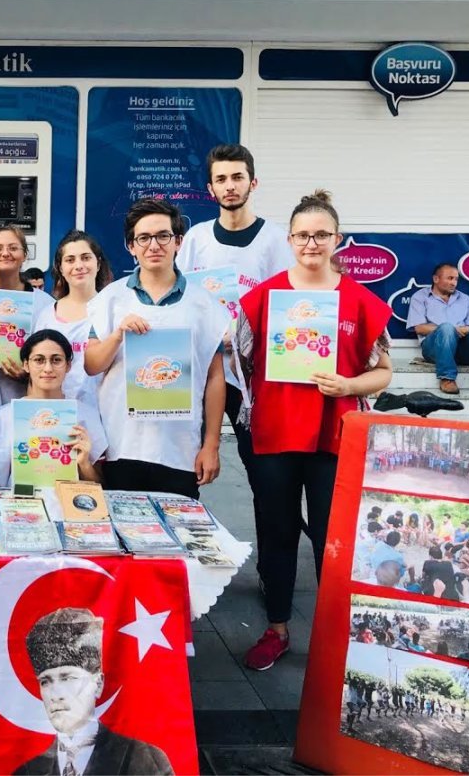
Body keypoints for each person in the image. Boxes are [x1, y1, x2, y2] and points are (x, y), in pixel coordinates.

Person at [236, 189, 392, 670]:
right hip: (275, 434)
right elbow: (242, 361)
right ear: (289, 240)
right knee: (277, 531)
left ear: (337, 239)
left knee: (332, 539)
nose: (311, 243)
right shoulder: (262, 299)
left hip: (334, 436)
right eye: (303, 235)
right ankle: (277, 628)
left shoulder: (359, 301)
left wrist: (349, 384)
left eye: (321, 234)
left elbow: (384, 371)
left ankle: (335, 637)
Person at [83, 198, 229, 498]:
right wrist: (117, 335)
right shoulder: (110, 300)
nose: (154, 245)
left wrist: (211, 444)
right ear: (131, 246)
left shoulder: (204, 305)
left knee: (179, 525)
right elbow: (91, 365)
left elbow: (215, 377)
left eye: (163, 236)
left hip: (180, 448)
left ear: (178, 242)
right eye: (144, 238)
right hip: (121, 445)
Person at [177, 144, 293, 474]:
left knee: (263, 467)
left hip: (252, 373)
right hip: (203, 368)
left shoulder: (276, 239)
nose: (230, 186)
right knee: (189, 463)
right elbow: (181, 299)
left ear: (253, 183)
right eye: (221, 179)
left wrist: (244, 335)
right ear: (210, 188)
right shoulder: (197, 238)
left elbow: (286, 307)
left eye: (238, 177)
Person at [15, 608, 173, 775]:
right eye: (45, 681)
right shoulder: (27, 772)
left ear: (97, 685)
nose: (55, 694)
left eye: (67, 678)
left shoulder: (143, 760)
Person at [0, 329, 108, 487]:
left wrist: (84, 463)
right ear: (26, 365)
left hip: (68, 501)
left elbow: (101, 487)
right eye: (39, 360)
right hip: (19, 501)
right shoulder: (5, 416)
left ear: (68, 365)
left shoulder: (86, 415)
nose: (48, 368)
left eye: (56, 360)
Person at [34, 230, 113, 406]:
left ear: (98, 263)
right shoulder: (47, 316)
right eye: (70, 260)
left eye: (86, 258)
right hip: (58, 413)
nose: (79, 265)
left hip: (105, 412)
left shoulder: (113, 310)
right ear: (60, 268)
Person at [0, 223, 55, 409]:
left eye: (13, 248)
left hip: (30, 404)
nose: (5, 253)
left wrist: (30, 375)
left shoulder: (45, 304)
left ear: (25, 255)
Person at [406, 263, 469, 395]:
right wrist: (450, 329)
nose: (454, 283)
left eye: (456, 279)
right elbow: (419, 328)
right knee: (446, 328)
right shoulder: (420, 297)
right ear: (436, 279)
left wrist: (466, 329)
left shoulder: (464, 298)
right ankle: (447, 378)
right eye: (450, 278)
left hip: (463, 350)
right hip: (434, 349)